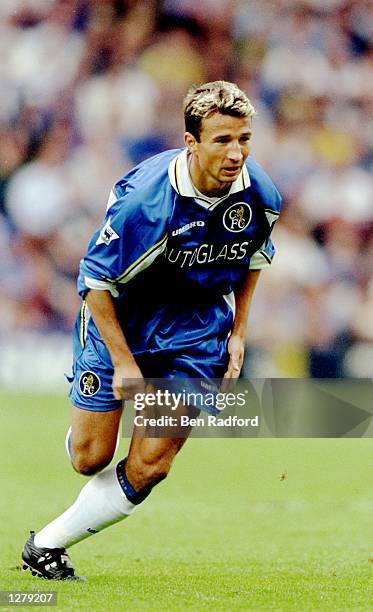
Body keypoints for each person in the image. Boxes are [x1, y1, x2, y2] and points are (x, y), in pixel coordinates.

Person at [22, 80, 281, 580]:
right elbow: (94, 281)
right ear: (191, 142)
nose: (236, 153)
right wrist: (124, 362)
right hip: (122, 319)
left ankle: (46, 546)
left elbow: (253, 258)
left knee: (152, 463)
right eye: (222, 140)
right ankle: (85, 427)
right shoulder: (146, 204)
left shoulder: (261, 194)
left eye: (244, 139)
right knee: (90, 458)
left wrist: (239, 332)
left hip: (193, 332)